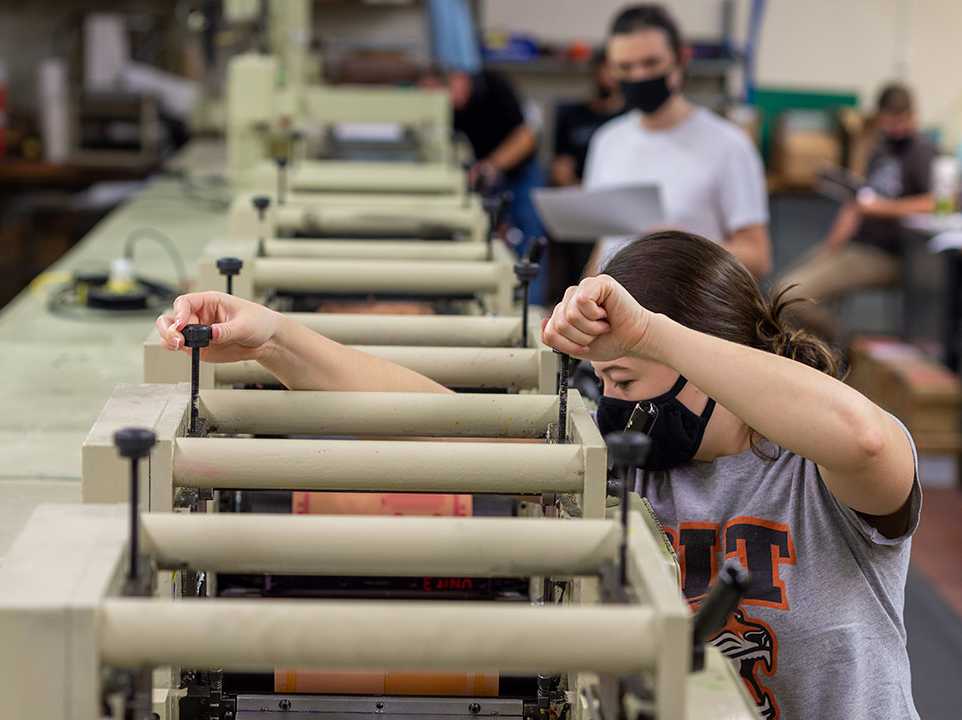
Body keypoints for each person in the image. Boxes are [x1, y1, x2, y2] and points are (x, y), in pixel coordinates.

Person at [157, 231, 920, 720]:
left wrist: (654, 332)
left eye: (626, 380)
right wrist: (275, 340)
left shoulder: (814, 478)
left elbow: (868, 440)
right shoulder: (631, 469)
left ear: (709, 360)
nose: (612, 404)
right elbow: (438, 422)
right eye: (604, 382)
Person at [582, 4, 772, 279]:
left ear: (681, 58)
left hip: (686, 315)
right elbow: (605, 242)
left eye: (651, 63)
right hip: (613, 312)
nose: (638, 76)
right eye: (624, 67)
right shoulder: (607, 141)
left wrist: (684, 247)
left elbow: (759, 258)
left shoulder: (729, 145)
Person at [778, 83, 937, 341]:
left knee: (790, 298)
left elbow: (936, 202)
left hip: (889, 255)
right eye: (889, 122)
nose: (894, 129)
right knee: (780, 291)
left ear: (912, 116)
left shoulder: (922, 152)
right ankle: (833, 345)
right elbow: (856, 204)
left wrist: (883, 208)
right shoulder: (880, 149)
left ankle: (846, 345)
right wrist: (830, 248)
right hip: (857, 245)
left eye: (900, 121)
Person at [419, 66, 549, 303]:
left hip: (520, 174)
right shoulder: (451, 109)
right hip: (487, 178)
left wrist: (491, 166)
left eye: (439, 94)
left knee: (528, 240)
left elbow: (526, 137)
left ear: (458, 80)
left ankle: (531, 305)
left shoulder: (493, 85)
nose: (440, 103)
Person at [550, 45, 626, 188]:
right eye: (605, 68)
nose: (609, 75)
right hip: (578, 191)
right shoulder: (572, 116)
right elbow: (561, 170)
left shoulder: (632, 119)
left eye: (615, 68)